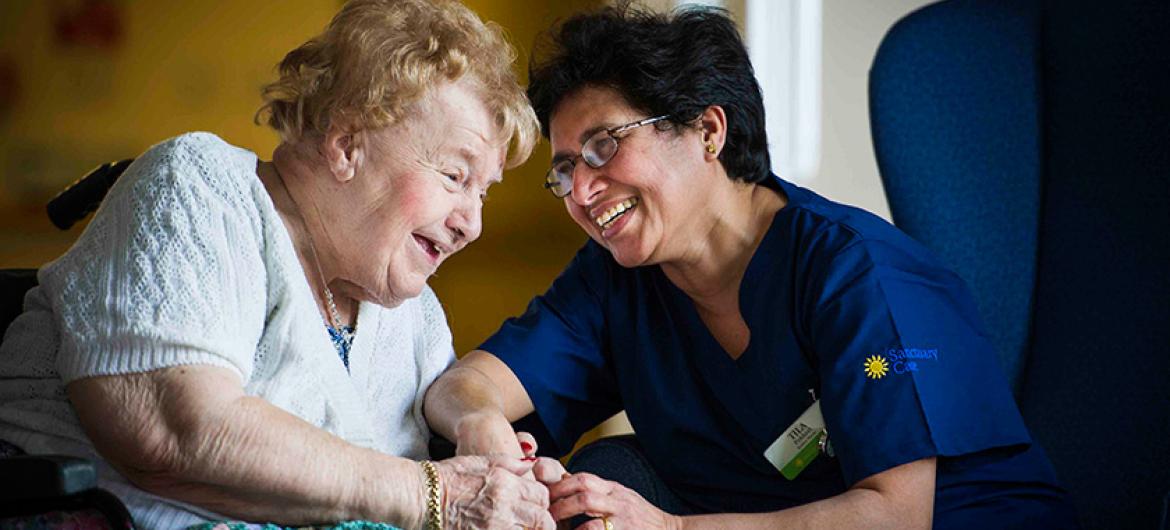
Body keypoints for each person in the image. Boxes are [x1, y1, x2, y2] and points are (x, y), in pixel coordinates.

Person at [424, 4, 1077, 529]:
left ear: (709, 131)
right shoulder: (614, 280)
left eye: (603, 147)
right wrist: (483, 427)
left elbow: (896, 514)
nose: (582, 192)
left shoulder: (858, 276)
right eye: (564, 171)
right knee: (602, 482)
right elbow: (463, 387)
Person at [0, 1, 560, 528]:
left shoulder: (409, 314)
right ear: (346, 145)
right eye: (455, 177)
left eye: (483, 192)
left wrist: (503, 472)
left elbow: (451, 417)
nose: (472, 223)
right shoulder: (198, 187)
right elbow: (174, 431)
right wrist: (434, 495)